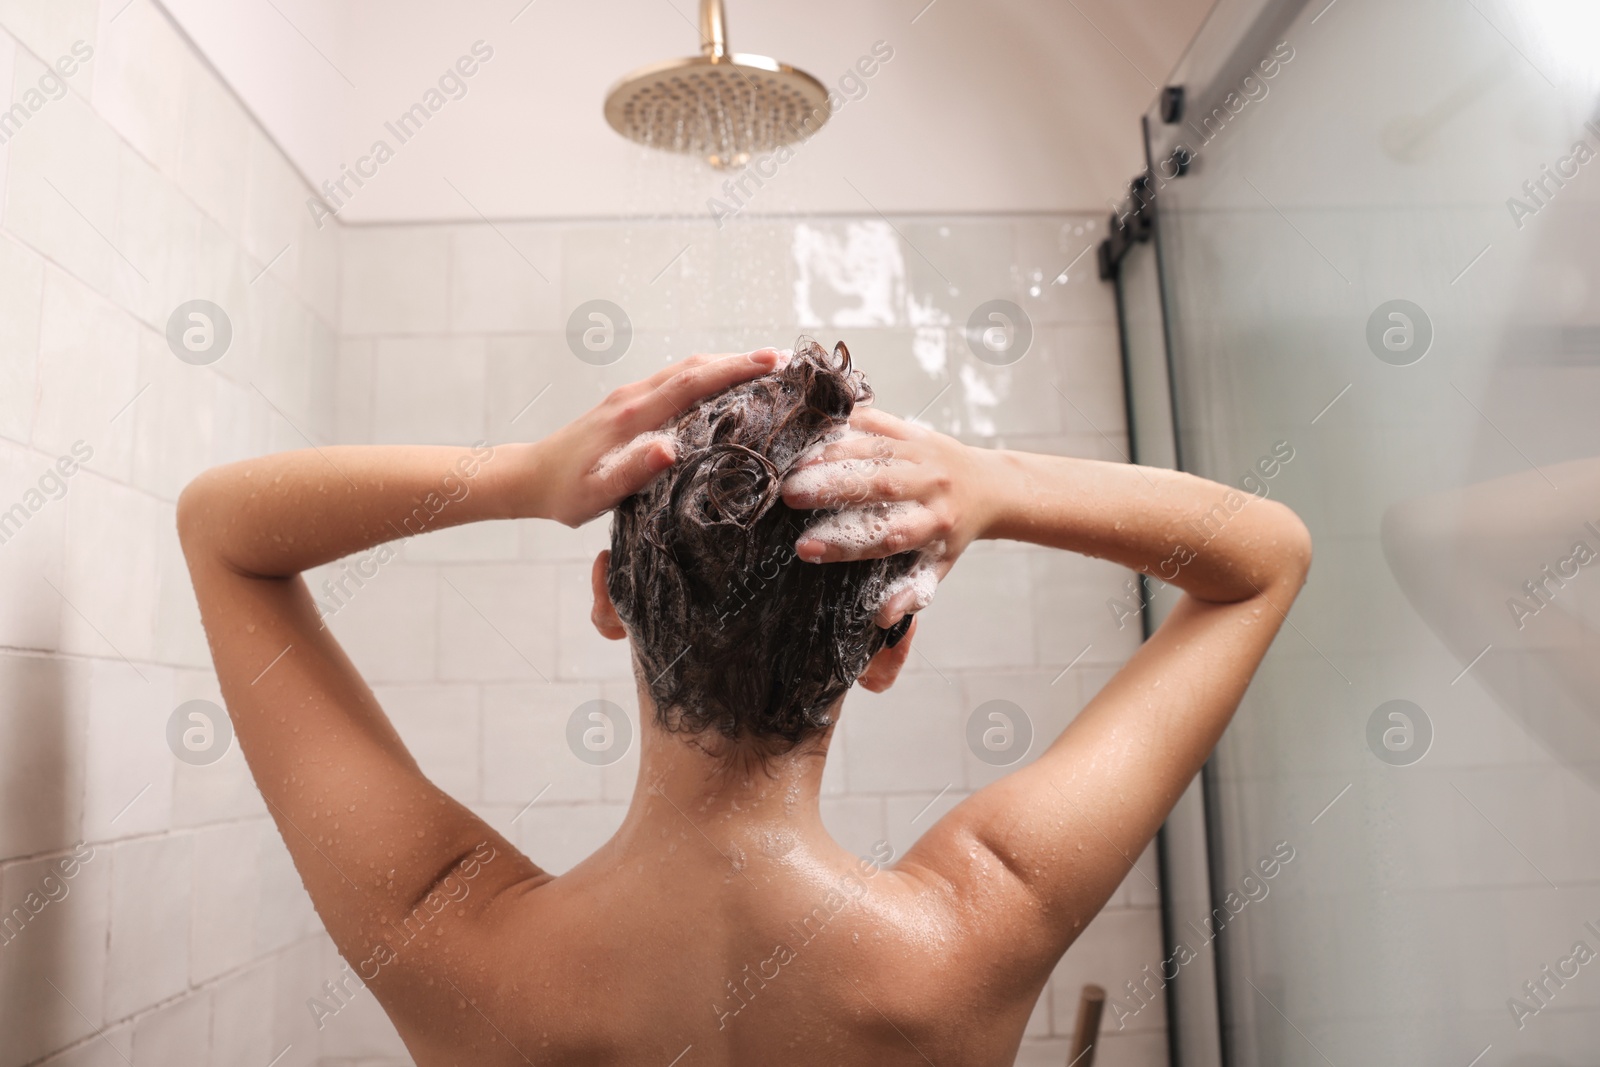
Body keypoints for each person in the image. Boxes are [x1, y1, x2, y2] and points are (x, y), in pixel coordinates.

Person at [177, 340, 1311, 1066]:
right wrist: (995, 483)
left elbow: (223, 530)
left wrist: (525, 475)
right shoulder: (976, 926)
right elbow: (1263, 556)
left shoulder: (453, 941)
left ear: (609, 600)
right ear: (887, 645)